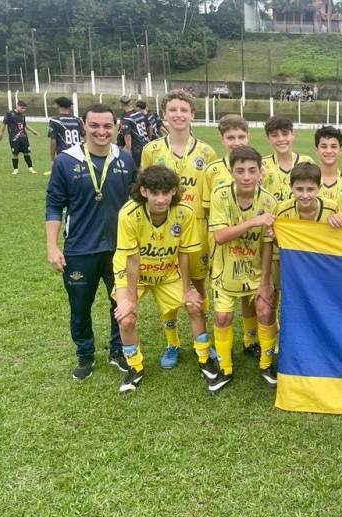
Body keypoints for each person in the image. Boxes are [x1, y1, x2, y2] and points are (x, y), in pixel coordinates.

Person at [45, 103, 137, 379]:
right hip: (80, 249)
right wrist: (52, 247)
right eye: (94, 125)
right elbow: (53, 206)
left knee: (120, 304)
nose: (101, 131)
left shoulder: (126, 159)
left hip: (120, 250)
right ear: (83, 126)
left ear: (116, 127)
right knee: (80, 307)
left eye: (107, 126)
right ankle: (85, 354)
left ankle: (118, 350)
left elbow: (137, 202)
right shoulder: (66, 160)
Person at [112, 165, 215, 393]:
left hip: (167, 270)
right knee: (126, 318)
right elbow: (132, 259)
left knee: (194, 305)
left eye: (166, 192)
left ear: (173, 192)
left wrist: (188, 288)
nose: (161, 199)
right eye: (155, 192)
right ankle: (135, 367)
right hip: (133, 273)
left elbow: (184, 252)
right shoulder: (129, 214)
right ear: (144, 191)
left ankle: (204, 359)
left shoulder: (184, 212)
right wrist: (129, 298)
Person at [141, 90, 218, 369]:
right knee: (165, 285)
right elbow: (144, 193)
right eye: (172, 109)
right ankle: (172, 342)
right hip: (162, 232)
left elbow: (214, 194)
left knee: (198, 285)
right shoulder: (151, 151)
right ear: (164, 114)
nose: (178, 115)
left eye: (183, 110)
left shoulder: (207, 151)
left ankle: (203, 341)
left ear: (192, 115)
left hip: (197, 228)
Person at [208, 146, 278, 390]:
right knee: (222, 316)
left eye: (252, 170)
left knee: (265, 311)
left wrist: (265, 281)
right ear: (231, 171)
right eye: (240, 171)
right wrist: (253, 222)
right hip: (224, 270)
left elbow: (267, 244)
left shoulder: (269, 201)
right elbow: (219, 236)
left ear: (261, 171)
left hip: (256, 270)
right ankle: (224, 368)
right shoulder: (220, 195)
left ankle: (267, 363)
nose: (246, 176)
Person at [202, 114, 263, 359]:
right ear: (222, 139)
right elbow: (206, 210)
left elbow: (261, 202)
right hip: (223, 243)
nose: (236, 142)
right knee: (223, 299)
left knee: (249, 295)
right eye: (230, 137)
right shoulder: (212, 170)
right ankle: (221, 350)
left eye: (240, 136)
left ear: (248, 136)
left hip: (251, 247)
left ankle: (250, 342)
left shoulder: (256, 167)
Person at [260, 115, 315, 204]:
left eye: (285, 134)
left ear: (293, 134)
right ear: (268, 138)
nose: (281, 139)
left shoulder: (307, 161)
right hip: (272, 217)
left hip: (299, 217)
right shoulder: (262, 165)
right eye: (274, 135)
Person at [314, 125, 342, 201]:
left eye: (333, 146)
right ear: (316, 150)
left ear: (340, 150)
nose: (329, 151)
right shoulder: (308, 181)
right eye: (324, 146)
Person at [45, 97, 85, 176]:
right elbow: (86, 138)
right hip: (78, 153)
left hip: (64, 154)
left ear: (57, 106)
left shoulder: (54, 121)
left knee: (64, 177)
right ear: (70, 107)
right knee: (77, 175)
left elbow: (53, 142)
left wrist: (52, 159)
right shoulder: (77, 120)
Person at [0, 100, 39, 174]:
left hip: (23, 137)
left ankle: (31, 168)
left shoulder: (22, 115)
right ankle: (15, 169)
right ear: (17, 106)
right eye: (22, 108)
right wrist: (1, 134)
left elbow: (25, 125)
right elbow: (4, 124)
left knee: (26, 153)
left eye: (24, 108)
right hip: (14, 138)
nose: (24, 110)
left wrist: (33, 131)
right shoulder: (9, 114)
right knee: (15, 154)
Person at [117, 95, 149, 167]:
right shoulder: (140, 113)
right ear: (131, 102)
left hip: (136, 148)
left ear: (121, 104)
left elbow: (127, 136)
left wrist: (128, 152)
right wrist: (148, 139)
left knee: (135, 169)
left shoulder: (127, 118)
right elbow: (149, 126)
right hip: (146, 144)